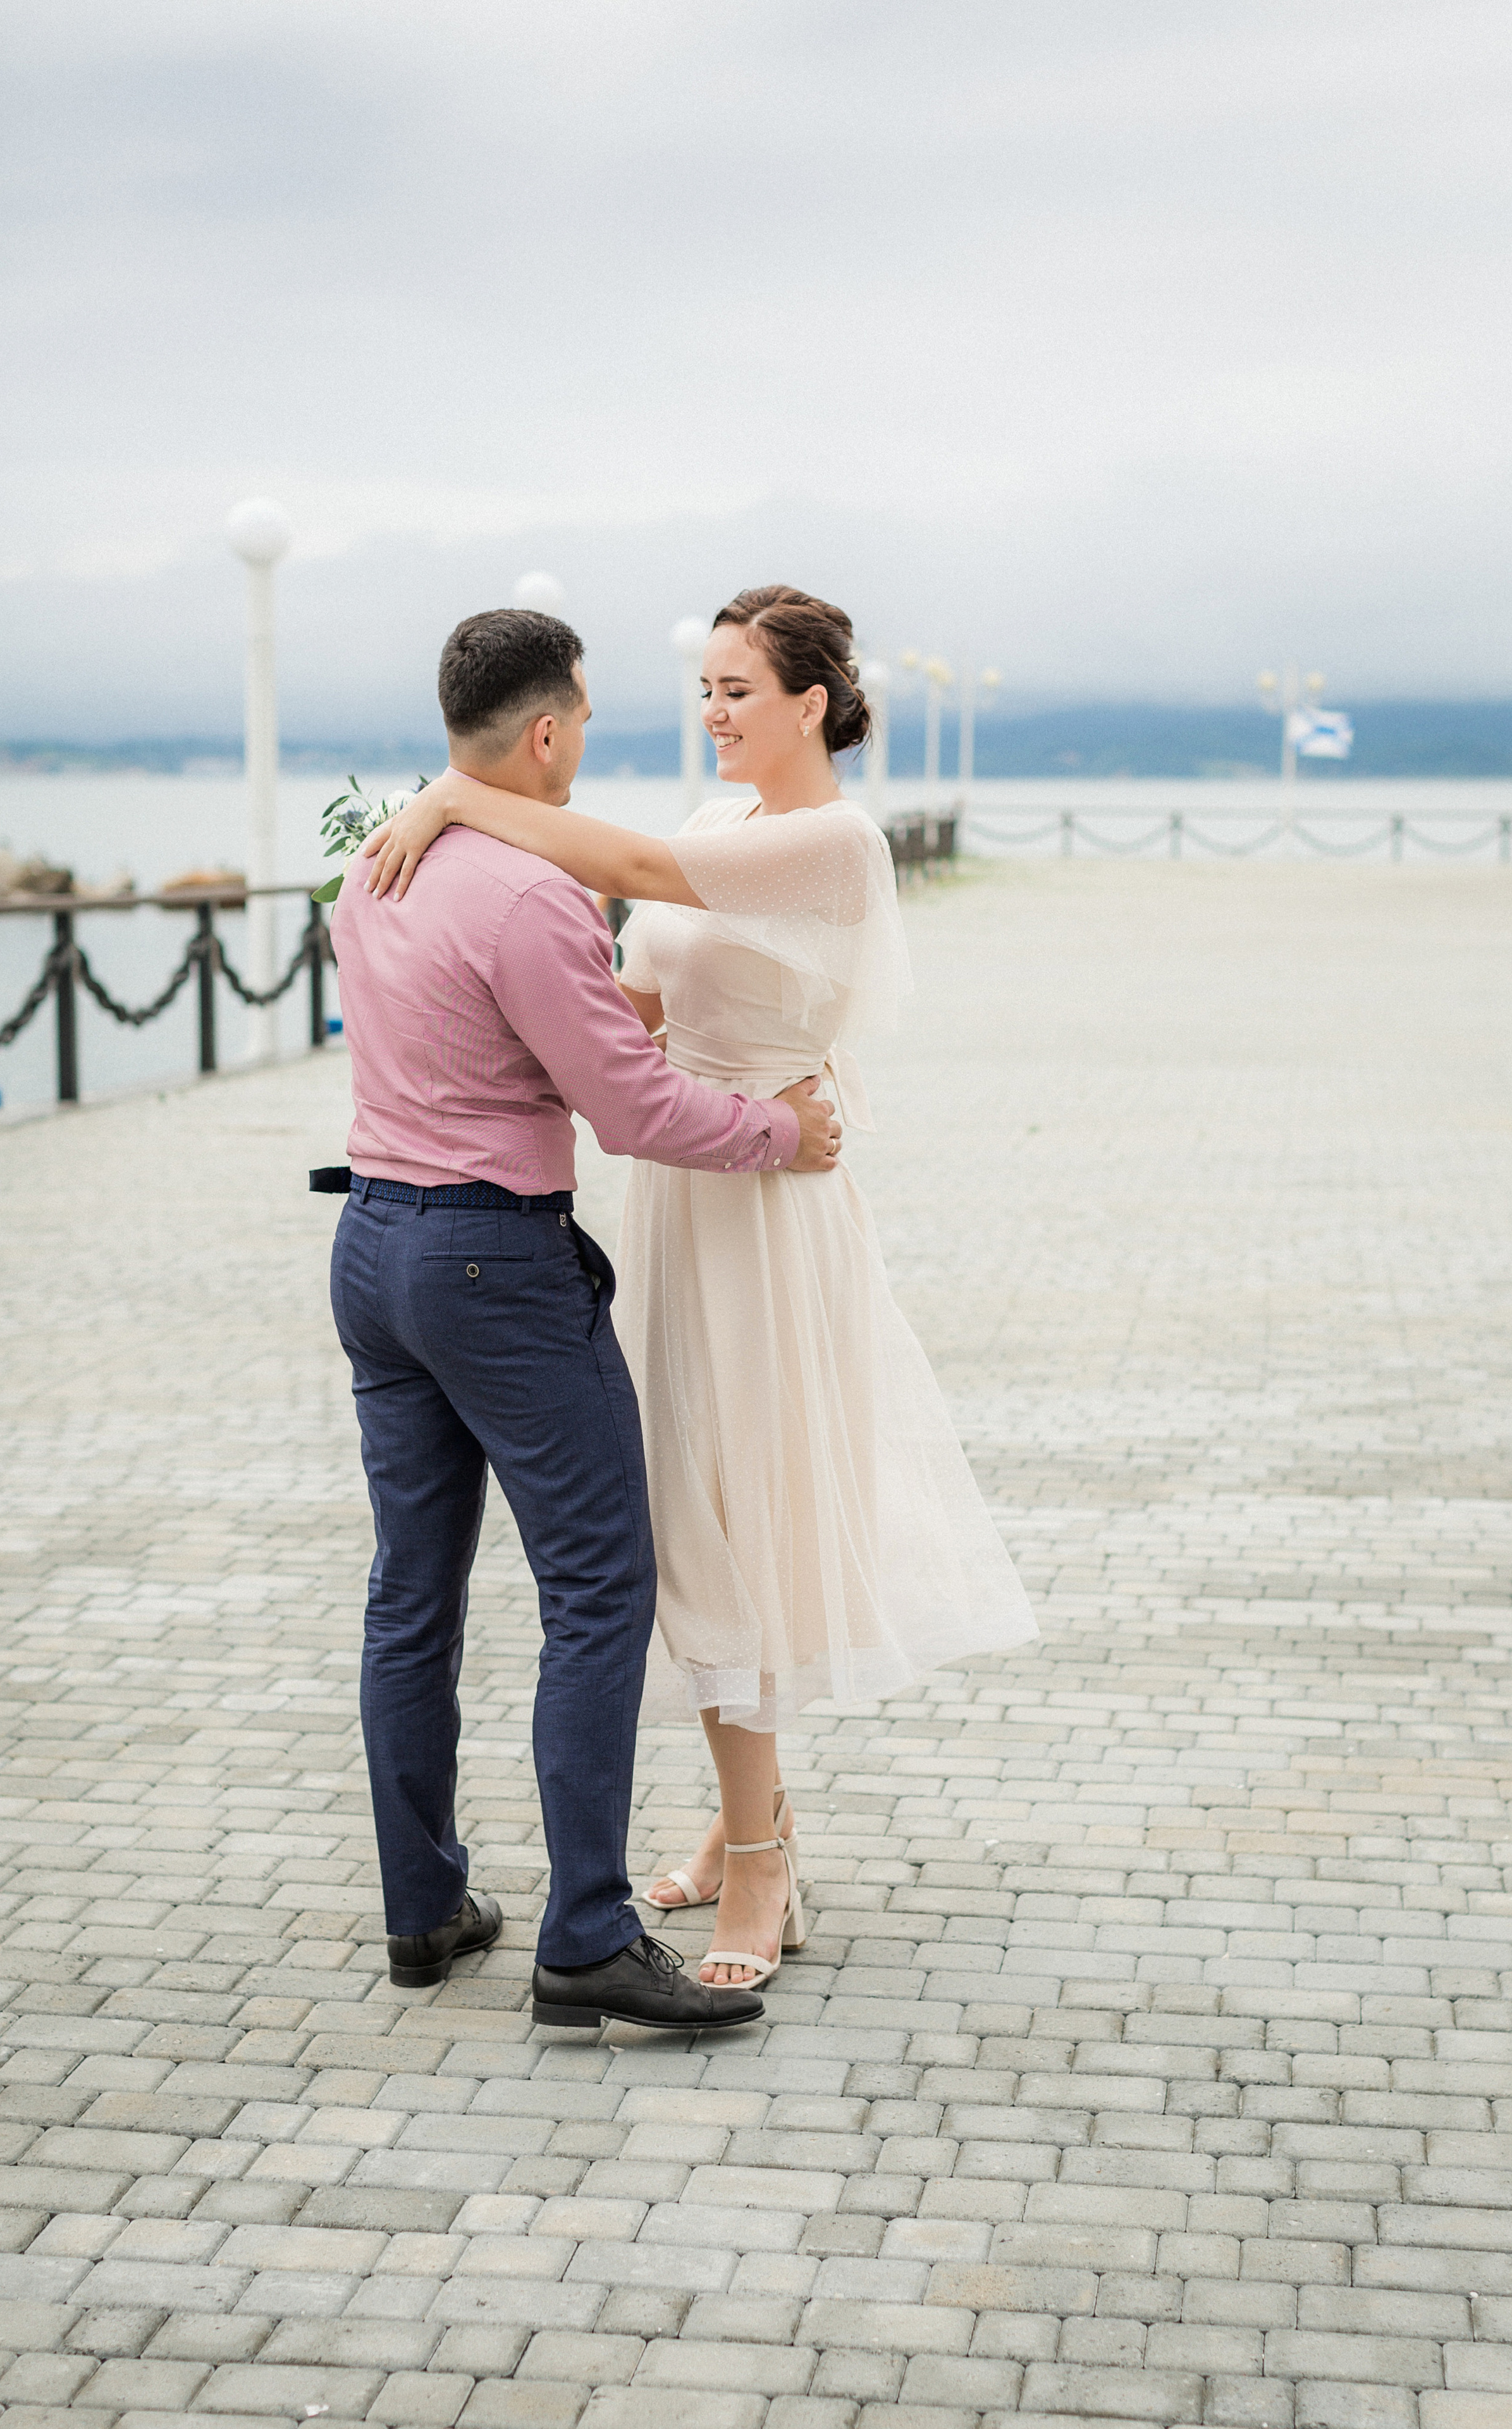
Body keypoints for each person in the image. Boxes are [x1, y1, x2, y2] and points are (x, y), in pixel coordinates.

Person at [364, 584, 1038, 1988]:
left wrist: (450, 799)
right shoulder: (720, 822)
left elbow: (625, 869)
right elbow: (641, 999)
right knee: (684, 1509)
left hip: (767, 1201)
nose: (717, 711)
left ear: (813, 701)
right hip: (681, 1184)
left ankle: (760, 1864)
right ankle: (749, 1813)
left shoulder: (834, 842)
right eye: (705, 691)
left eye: (740, 689)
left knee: (743, 1516)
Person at [328, 605, 844, 2034]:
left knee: (407, 1599)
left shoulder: (380, 869)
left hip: (368, 1246)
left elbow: (484, 1044)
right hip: (492, 1268)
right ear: (546, 733)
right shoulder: (530, 889)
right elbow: (625, 1110)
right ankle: (585, 1941)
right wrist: (772, 1133)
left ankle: (423, 1911)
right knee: (601, 1593)